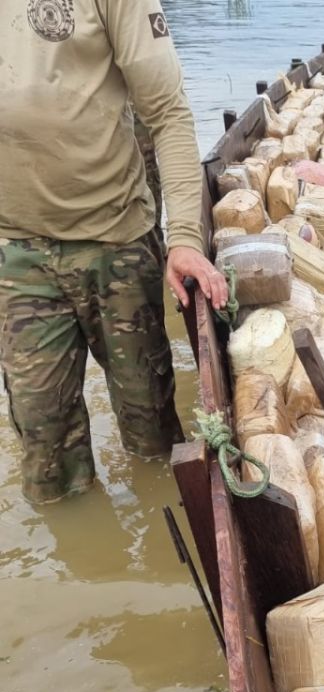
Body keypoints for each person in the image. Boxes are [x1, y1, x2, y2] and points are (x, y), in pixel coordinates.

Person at [0, 0, 228, 504]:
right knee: (45, 448)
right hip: (16, 254)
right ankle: (78, 564)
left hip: (117, 242)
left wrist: (185, 238)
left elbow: (167, 113)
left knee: (152, 433)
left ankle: (163, 532)